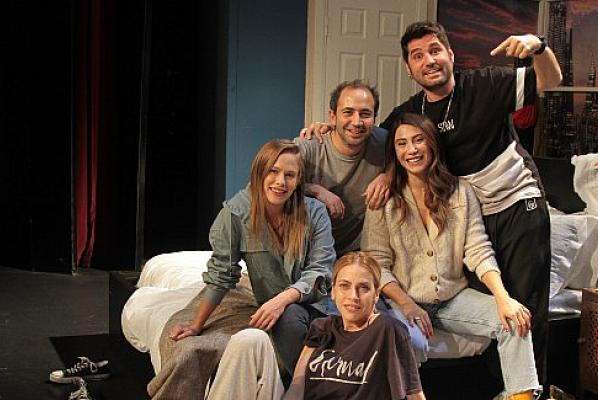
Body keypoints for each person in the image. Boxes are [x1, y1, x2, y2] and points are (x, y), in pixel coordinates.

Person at [303, 20, 561, 383]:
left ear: (451, 54)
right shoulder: (411, 114)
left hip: (516, 204)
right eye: (417, 55)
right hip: (467, 220)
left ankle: (531, 390)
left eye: (435, 50)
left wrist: (539, 46)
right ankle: (489, 386)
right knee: (479, 308)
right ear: (409, 68)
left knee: (521, 308)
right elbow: (363, 129)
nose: (429, 60)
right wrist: (327, 130)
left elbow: (550, 80)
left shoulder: (484, 84)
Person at [362, 113, 539, 400]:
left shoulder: (460, 191)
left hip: (453, 298)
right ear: (394, 152)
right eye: (402, 144)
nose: (411, 150)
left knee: (515, 322)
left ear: (432, 144)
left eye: (419, 140)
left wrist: (503, 297)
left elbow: (478, 249)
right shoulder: (385, 199)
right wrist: (407, 305)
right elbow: (376, 263)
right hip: (403, 300)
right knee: (405, 341)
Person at [169, 139, 336, 381]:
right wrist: (196, 325)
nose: (281, 182)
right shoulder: (234, 215)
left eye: (290, 175)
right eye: (273, 171)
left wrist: (281, 299)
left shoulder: (315, 212)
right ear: (259, 172)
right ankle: (309, 388)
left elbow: (321, 270)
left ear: (299, 179)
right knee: (288, 318)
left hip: (319, 305)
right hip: (285, 315)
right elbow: (221, 275)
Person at [206, 252, 425, 400]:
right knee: (249, 339)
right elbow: (297, 388)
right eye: (345, 286)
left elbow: (414, 393)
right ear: (333, 292)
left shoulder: (388, 329)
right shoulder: (322, 327)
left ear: (376, 295)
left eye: (364, 288)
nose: (353, 296)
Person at [295, 79, 390, 255]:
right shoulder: (308, 146)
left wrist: (389, 176)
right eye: (348, 112)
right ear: (333, 116)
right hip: (306, 252)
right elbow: (265, 182)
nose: (357, 122)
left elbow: (417, 163)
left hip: (357, 254)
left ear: (374, 118)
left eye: (365, 114)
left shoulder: (385, 142)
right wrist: (314, 190)